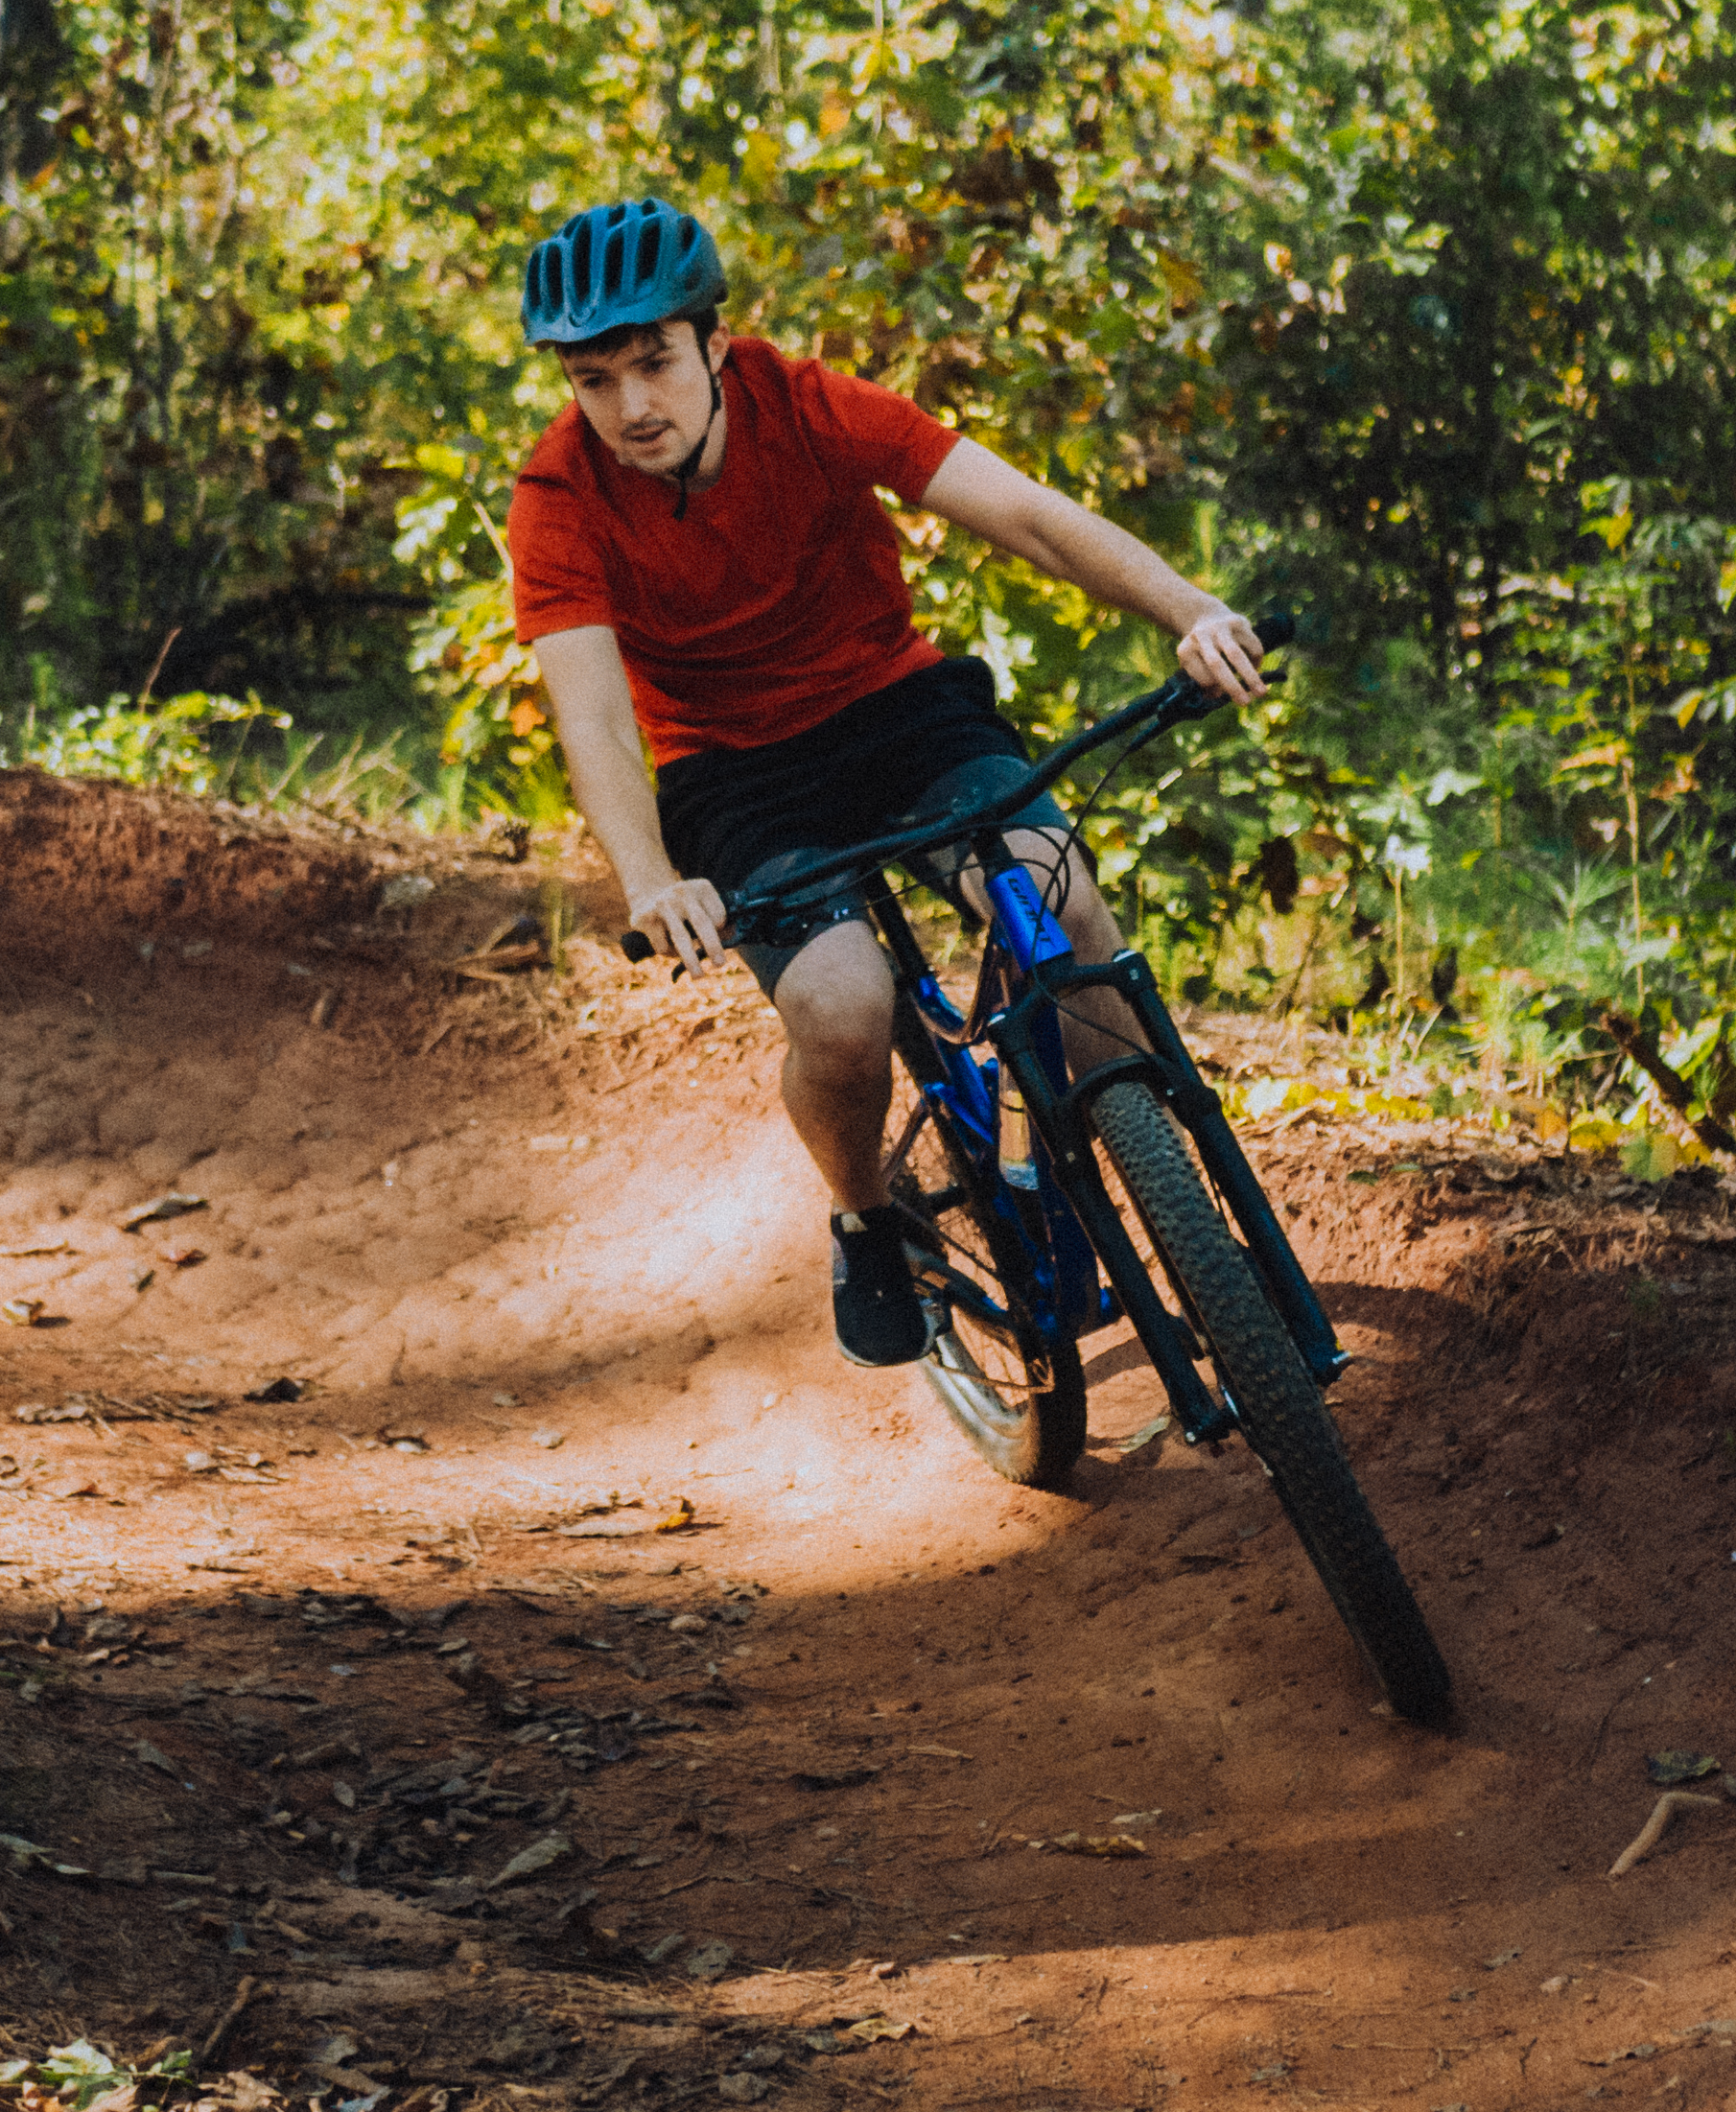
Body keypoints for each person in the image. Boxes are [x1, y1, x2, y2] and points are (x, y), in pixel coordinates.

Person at [502, 197, 1272, 1370]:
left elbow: (1025, 515)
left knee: (1059, 907)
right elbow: (596, 716)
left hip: (896, 707)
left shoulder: (805, 404)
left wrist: (1189, 608)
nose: (630, 407)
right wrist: (650, 877)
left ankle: (1178, 1217)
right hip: (732, 768)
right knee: (842, 1007)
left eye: (652, 363)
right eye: (592, 380)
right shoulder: (560, 499)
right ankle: (866, 1218)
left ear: (713, 343)